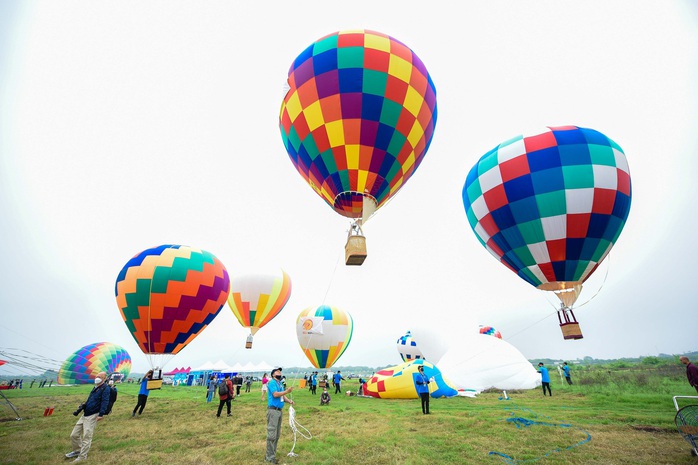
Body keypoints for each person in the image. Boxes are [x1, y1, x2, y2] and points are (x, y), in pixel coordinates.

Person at [64, 371, 111, 463]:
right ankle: (77, 451)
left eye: (100, 377)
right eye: (97, 376)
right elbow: (90, 399)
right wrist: (84, 405)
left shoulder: (105, 388)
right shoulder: (95, 387)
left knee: (87, 436)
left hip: (93, 414)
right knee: (74, 434)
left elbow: (105, 402)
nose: (97, 378)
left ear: (104, 379)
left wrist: (101, 414)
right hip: (85, 413)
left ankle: (82, 457)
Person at [265, 367, 294, 464]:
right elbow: (275, 394)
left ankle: (272, 455)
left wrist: (289, 400)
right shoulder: (272, 383)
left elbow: (282, 396)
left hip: (279, 411)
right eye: (278, 371)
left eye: (280, 371)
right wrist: (287, 391)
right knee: (272, 435)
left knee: (277, 435)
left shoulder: (280, 383)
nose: (280, 373)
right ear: (273, 374)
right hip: (273, 411)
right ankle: (269, 458)